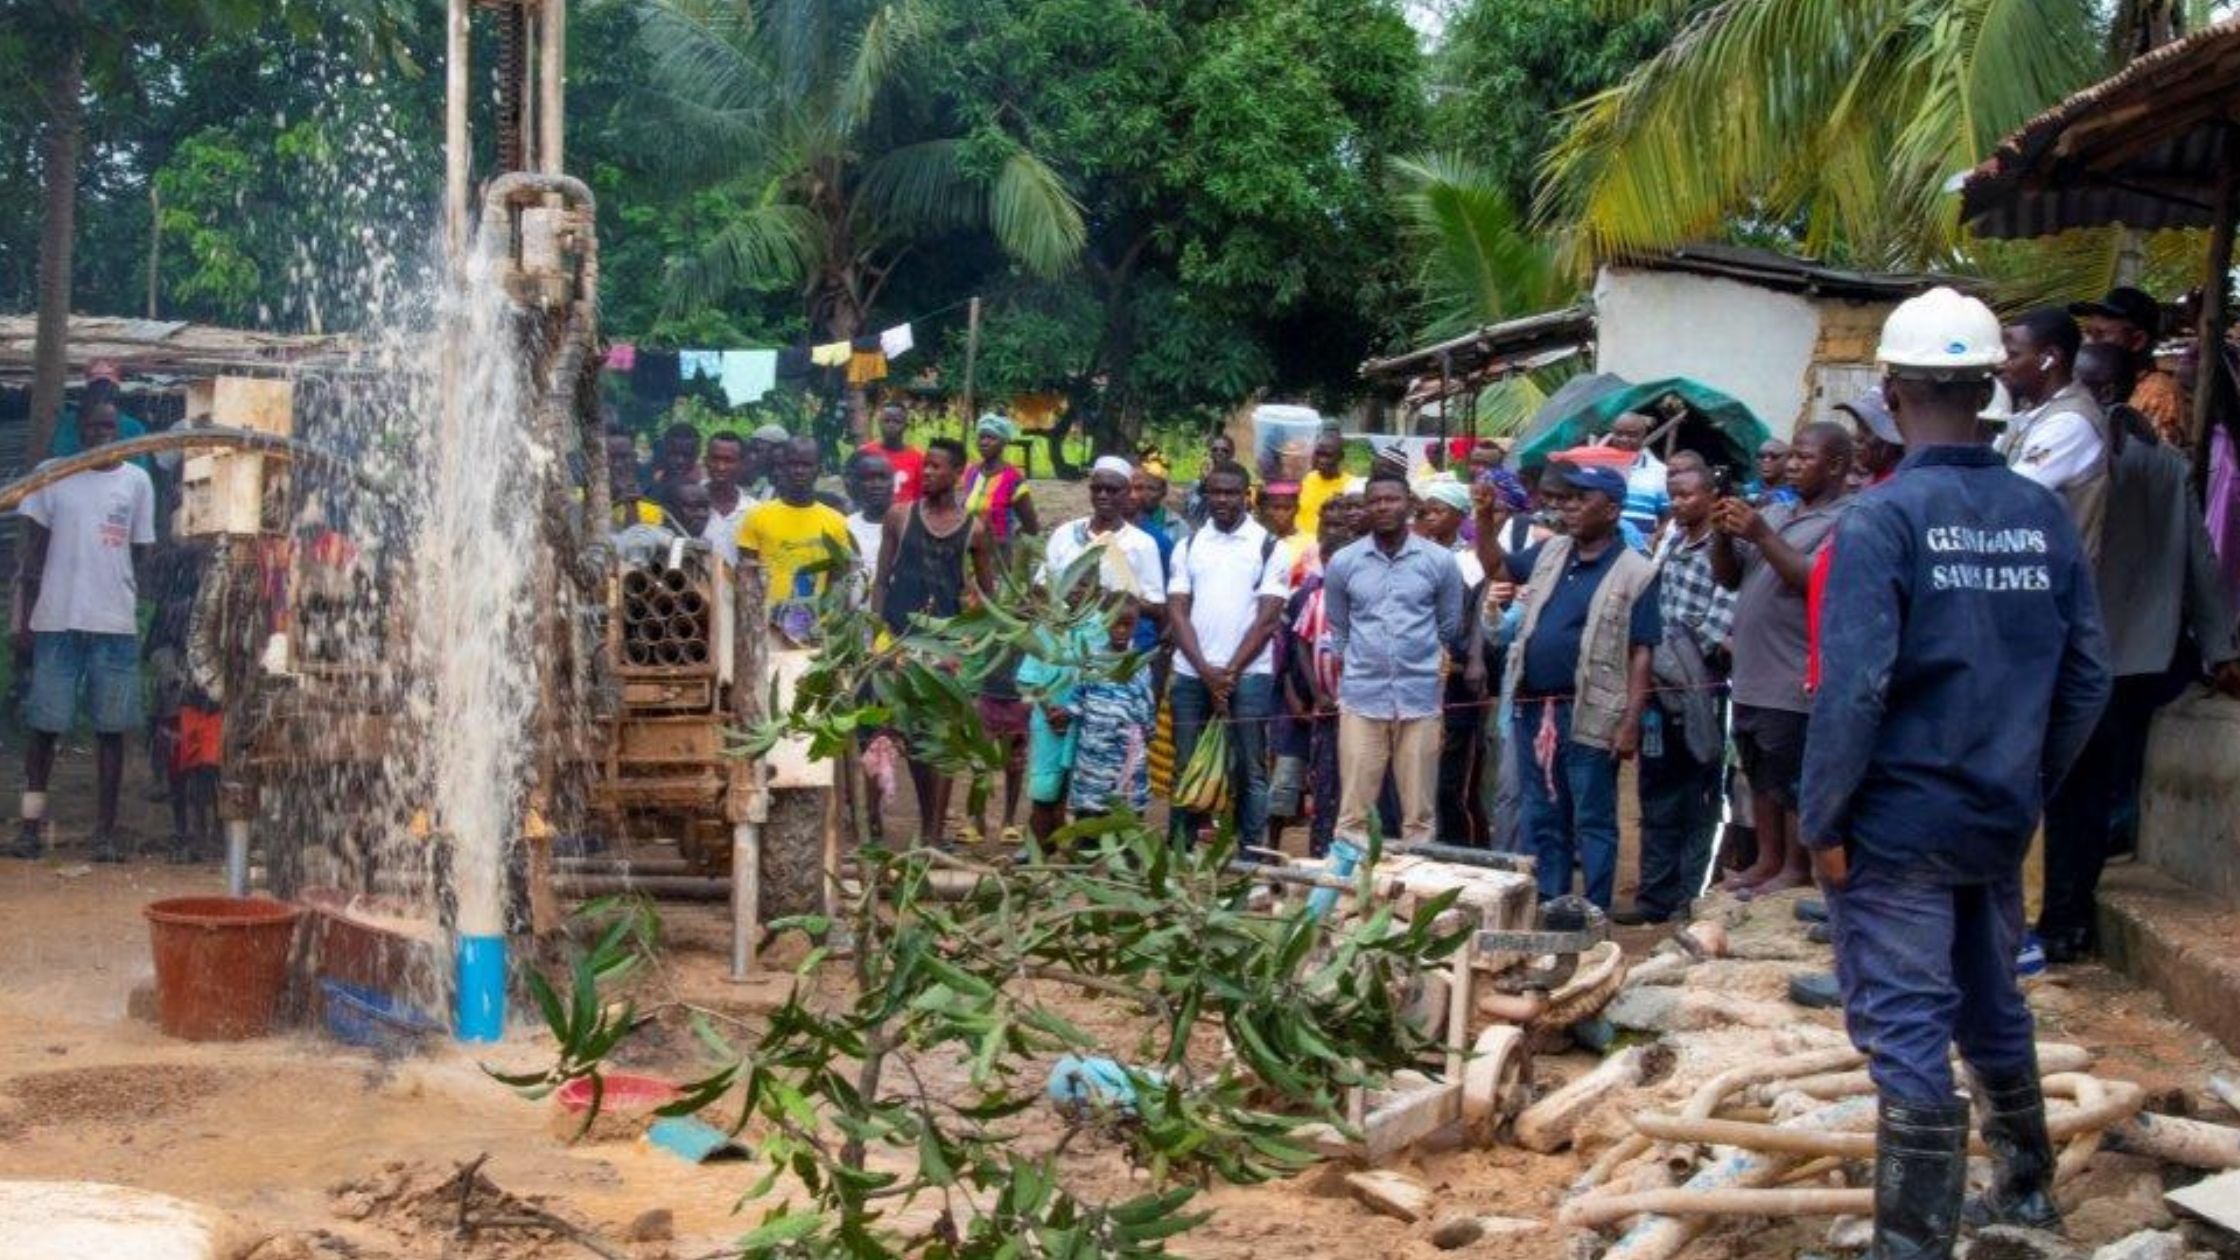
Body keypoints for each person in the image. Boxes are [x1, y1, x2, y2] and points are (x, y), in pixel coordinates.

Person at [1804, 286, 2110, 1260]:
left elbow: (1850, 692)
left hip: (1896, 829)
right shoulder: (2038, 517)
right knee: (1987, 1006)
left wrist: (1820, 823)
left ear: (1889, 391)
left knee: (1903, 1030)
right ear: (1985, 389)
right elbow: (2086, 676)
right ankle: (2023, 1196)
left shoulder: (1880, 521)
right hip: (1993, 818)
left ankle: (1911, 1246)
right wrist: (2027, 782)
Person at [2037, 343, 2240, 964]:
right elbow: (2200, 557)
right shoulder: (2166, 463)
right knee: (2087, 793)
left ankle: (2057, 918)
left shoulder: (2073, 451)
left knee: (2063, 790)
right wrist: (2219, 643)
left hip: (2071, 649)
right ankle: (2067, 919)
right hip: (2129, 654)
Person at [1474, 459, 1660, 911]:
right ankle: (1553, 900)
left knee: (1592, 816)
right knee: (1544, 812)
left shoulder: (1637, 571)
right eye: (1569, 498)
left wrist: (1631, 722)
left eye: (1583, 499)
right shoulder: (1553, 551)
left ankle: (1592, 909)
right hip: (1534, 705)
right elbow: (1498, 568)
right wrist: (1483, 519)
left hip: (1592, 709)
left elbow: (1642, 652)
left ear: (1612, 509)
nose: (1571, 507)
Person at [1710, 420, 1854, 899]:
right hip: (1752, 671)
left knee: (1791, 774)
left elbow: (1814, 580)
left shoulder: (1847, 519)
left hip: (1792, 671)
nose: (1792, 465)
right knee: (1759, 772)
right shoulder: (1777, 512)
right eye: (1790, 455)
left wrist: (1759, 533)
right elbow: (1729, 577)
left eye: (1804, 457)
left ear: (1835, 465)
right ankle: (1767, 859)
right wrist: (1722, 534)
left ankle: (1795, 866)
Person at [12, 401, 158, 861]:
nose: (101, 434)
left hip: (113, 625)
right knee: (44, 728)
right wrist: (25, 619)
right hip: (56, 621)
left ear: (120, 431)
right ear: (80, 430)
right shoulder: (51, 474)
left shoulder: (137, 481)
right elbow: (33, 555)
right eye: (94, 426)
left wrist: (116, 591)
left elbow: (140, 552)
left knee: (111, 732)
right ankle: (30, 827)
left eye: (109, 427)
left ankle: (106, 833)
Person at [1320, 472, 1466, 851]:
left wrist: (1421, 659)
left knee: (1419, 813)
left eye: (1392, 499)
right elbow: (1339, 628)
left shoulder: (1439, 561)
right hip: (1362, 699)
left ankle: (1417, 897)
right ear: (1366, 507)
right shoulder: (1343, 562)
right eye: (1375, 500)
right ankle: (1347, 894)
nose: (1383, 506)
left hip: (1419, 699)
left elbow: (1448, 625)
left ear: (1410, 504)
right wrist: (1358, 664)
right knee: (1354, 810)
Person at [1625, 462, 1738, 923]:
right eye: (1673, 495)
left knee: (1701, 796)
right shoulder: (1671, 539)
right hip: (1657, 685)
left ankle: (1690, 896)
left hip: (1701, 685)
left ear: (1712, 495)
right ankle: (1653, 895)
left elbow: (1718, 623)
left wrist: (1674, 662)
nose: (1679, 502)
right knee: (1656, 792)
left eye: (1688, 494)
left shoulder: (1727, 548)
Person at [1167, 461, 1290, 852]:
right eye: (1214, 492)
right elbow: (1177, 610)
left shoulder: (1270, 547)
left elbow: (1268, 619)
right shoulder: (1189, 545)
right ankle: (1179, 852)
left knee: (1250, 769)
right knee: (1185, 764)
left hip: (1250, 674)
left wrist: (1229, 672)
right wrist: (1207, 672)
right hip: (1191, 672)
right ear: (1205, 494)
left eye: (1230, 492)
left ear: (1246, 495)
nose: (1222, 499)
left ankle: (1249, 854)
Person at [874, 438, 991, 846]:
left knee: (942, 741)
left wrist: (975, 644)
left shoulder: (974, 531)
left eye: (936, 467)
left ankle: (933, 832)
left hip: (946, 648)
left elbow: (989, 597)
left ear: (958, 474)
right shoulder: (899, 518)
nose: (926, 473)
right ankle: (929, 826)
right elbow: (881, 582)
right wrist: (877, 635)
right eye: (925, 466)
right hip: (902, 642)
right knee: (913, 740)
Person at [1998, 308, 2109, 556]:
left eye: (2012, 355)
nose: (2002, 364)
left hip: (2058, 585)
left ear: (2050, 358)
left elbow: (2006, 499)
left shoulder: (2070, 423)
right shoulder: (2032, 412)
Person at [1414, 476, 1487, 845]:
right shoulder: (1414, 553)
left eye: (1439, 510)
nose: (1430, 517)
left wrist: (1472, 658)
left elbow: (1476, 615)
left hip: (1456, 678)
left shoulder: (1471, 561)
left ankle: (1466, 850)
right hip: (1418, 677)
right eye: (1426, 510)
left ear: (1460, 515)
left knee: (1452, 782)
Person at [1281, 508, 1355, 856]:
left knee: (1355, 782)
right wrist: (1316, 693)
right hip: (1325, 708)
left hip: (1360, 707)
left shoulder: (1364, 599)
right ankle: (1321, 850)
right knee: (1324, 781)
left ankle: (1351, 851)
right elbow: (1301, 641)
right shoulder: (1315, 598)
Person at [737, 438, 853, 640]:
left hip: (817, 629)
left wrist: (830, 625)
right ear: (782, 467)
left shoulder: (836, 522)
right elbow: (747, 580)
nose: (799, 471)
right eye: (793, 464)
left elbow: (837, 580)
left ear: (818, 469)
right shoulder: (756, 517)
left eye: (806, 465)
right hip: (766, 627)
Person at [2073, 286, 2186, 449]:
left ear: (2137, 340)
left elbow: (2149, 464)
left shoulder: (2158, 392)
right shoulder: (2088, 379)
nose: (2088, 342)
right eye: (2087, 333)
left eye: (2099, 334)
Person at [962, 413, 1040, 544]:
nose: (984, 442)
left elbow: (1031, 526)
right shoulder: (972, 473)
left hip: (998, 554)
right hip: (969, 548)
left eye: (991, 438)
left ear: (1004, 442)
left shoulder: (1013, 479)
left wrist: (1011, 537)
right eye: (981, 437)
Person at [1605, 414, 1670, 539]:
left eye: (1632, 435)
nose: (1624, 439)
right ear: (1612, 434)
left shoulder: (1659, 472)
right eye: (1619, 434)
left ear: (1643, 436)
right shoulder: (1599, 468)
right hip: (1602, 552)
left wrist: (1653, 541)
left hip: (1640, 554)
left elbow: (1668, 518)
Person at [700, 431, 756, 564]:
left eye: (729, 460)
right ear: (706, 461)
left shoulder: (754, 511)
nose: (721, 467)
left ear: (742, 464)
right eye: (715, 459)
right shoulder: (688, 504)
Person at [860, 402, 926, 504]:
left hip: (905, 517)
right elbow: (857, 490)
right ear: (879, 424)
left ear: (906, 426)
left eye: (897, 421)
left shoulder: (918, 458)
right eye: (886, 421)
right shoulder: (865, 453)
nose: (891, 425)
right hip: (873, 516)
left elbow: (920, 497)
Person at [846, 452, 895, 585]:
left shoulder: (909, 525)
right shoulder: (846, 526)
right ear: (857, 485)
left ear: (893, 483)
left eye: (883, 478)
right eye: (868, 478)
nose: (876, 485)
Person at [605, 432, 665, 529]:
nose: (617, 464)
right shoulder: (583, 496)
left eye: (624, 457)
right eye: (610, 457)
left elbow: (637, 538)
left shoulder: (651, 502)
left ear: (634, 458)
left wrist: (631, 502)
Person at [1297, 432, 1351, 536]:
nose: (1321, 460)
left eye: (1328, 455)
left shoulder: (1351, 485)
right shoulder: (1304, 480)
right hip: (1298, 545)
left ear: (1340, 457)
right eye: (1318, 454)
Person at [1184, 433, 1238, 528]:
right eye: (1215, 449)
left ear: (1232, 453)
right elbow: (1191, 512)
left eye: (1224, 450)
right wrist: (1203, 484)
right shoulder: (1199, 482)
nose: (1219, 452)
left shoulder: (1238, 481)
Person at [650, 423, 704, 495]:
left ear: (697, 455)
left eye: (686, 455)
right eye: (674, 454)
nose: (680, 461)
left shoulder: (706, 491)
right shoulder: (649, 490)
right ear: (664, 452)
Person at [1753, 438, 1795, 506]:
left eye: (1774, 456)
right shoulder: (1747, 490)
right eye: (1761, 456)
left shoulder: (1796, 494)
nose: (1766, 460)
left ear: (1788, 459)